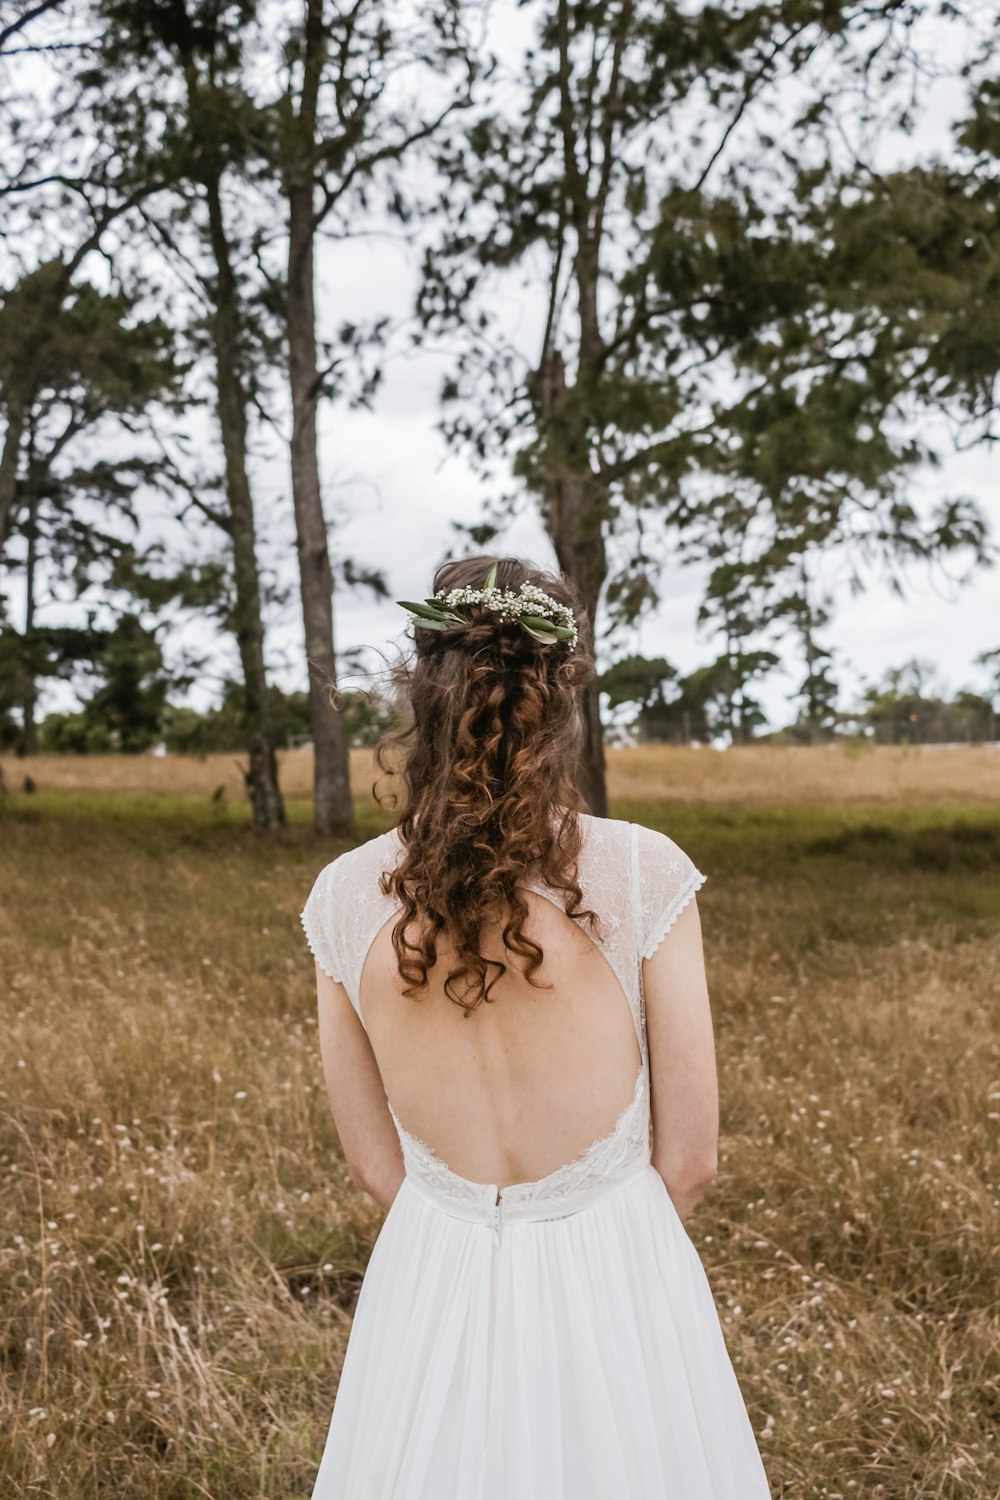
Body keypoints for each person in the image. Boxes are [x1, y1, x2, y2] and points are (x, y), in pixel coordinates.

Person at [300, 555, 771, 1499]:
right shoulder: (643, 873)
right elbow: (691, 1161)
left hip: (430, 1272)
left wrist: (466, 1246)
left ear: (424, 696)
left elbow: (370, 1160)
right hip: (618, 1270)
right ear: (562, 700)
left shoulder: (344, 896)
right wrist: (598, 1252)